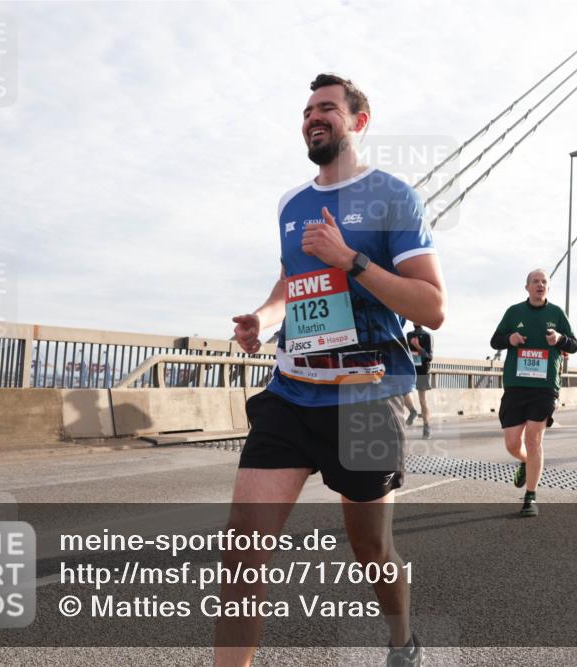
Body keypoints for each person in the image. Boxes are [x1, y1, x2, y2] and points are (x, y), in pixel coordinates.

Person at [221, 73, 446, 667]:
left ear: (358, 122)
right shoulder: (292, 205)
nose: (312, 118)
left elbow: (432, 307)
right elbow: (291, 282)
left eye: (327, 108)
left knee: (370, 546)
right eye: (306, 111)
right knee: (244, 542)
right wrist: (265, 319)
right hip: (292, 390)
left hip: (367, 399)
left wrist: (351, 260)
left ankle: (403, 643)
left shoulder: (395, 197)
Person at [491, 269, 577, 517]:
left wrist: (560, 339)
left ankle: (530, 496)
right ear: (527, 287)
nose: (540, 285)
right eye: (535, 281)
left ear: (548, 288)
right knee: (512, 443)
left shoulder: (557, 313)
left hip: (545, 386)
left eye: (544, 282)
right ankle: (524, 461)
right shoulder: (514, 312)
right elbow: (494, 341)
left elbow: (574, 344)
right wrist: (511, 338)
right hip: (516, 385)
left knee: (534, 439)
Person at [403, 322, 433, 439]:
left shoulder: (427, 335)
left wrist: (418, 347)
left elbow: (429, 356)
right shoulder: (409, 335)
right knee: (401, 391)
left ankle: (426, 427)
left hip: (422, 370)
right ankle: (412, 411)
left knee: (422, 400)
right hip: (410, 368)